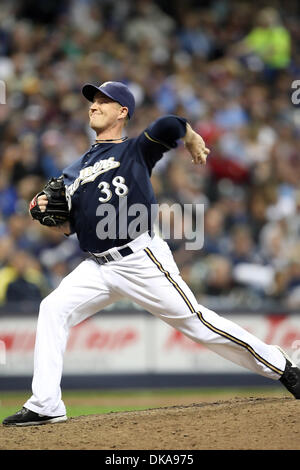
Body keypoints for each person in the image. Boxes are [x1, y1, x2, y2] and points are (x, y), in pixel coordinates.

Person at [3, 81, 300, 426]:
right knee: (52, 308)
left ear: (122, 111)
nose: (94, 106)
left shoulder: (134, 151)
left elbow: (168, 125)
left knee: (197, 322)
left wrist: (190, 136)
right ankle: (46, 403)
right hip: (97, 266)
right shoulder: (75, 169)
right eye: (92, 101)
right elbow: (70, 226)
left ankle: (282, 365)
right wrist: (43, 213)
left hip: (140, 259)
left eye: (103, 101)